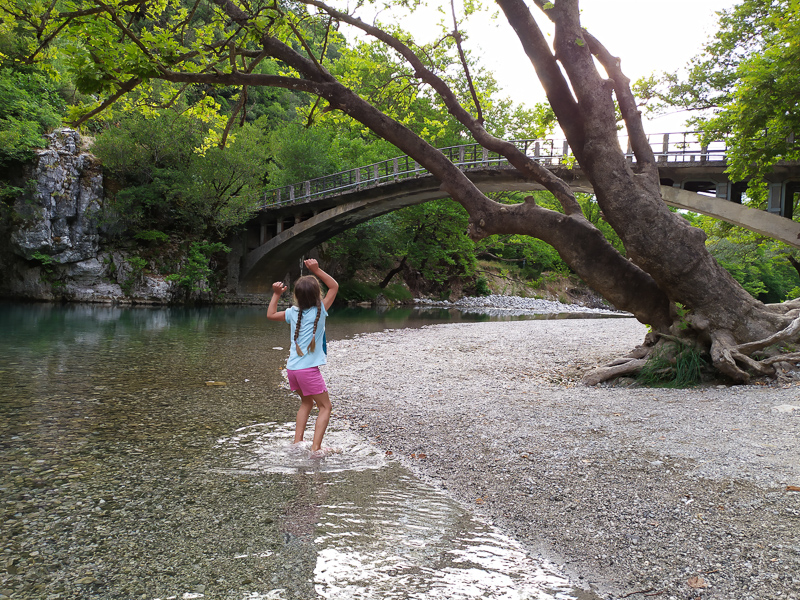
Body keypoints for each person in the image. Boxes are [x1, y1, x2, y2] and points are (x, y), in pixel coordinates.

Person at [267, 259, 339, 459]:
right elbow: (335, 286)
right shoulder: (320, 311)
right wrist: (316, 270)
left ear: (296, 296)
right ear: (318, 295)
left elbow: (271, 314)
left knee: (306, 402)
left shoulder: (292, 312)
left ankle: (297, 442)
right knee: (325, 407)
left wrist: (276, 294)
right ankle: (315, 449)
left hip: (292, 370)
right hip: (308, 371)